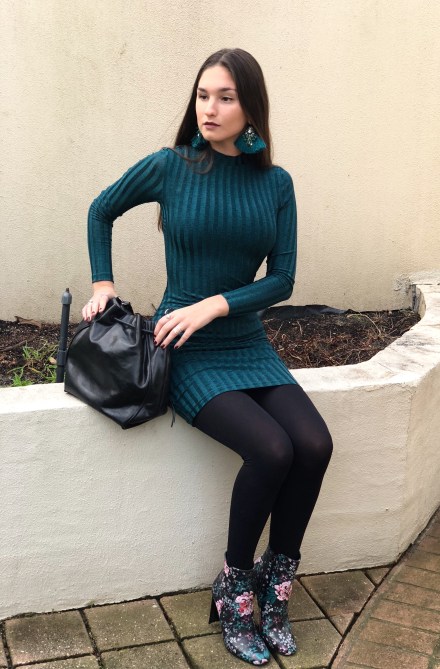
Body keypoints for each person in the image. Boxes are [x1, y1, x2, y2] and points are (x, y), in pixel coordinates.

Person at [83, 48, 333, 666]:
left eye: (225, 97)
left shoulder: (276, 184)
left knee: (314, 445)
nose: (210, 108)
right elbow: (101, 209)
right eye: (202, 95)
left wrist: (217, 304)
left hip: (246, 343)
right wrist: (103, 283)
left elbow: (283, 280)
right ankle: (234, 588)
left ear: (251, 108)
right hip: (185, 346)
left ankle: (276, 588)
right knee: (271, 450)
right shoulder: (171, 166)